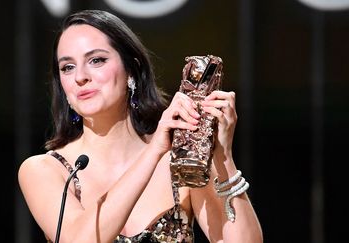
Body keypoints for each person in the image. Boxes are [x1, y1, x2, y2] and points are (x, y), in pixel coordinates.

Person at [18, 9, 263, 243]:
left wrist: (222, 156)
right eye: (67, 67)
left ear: (132, 70)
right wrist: (153, 150)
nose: (80, 76)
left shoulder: (176, 163)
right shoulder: (45, 170)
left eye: (96, 60)